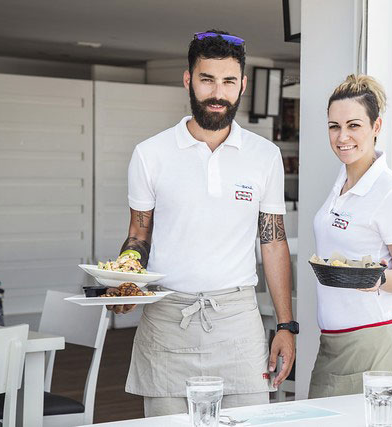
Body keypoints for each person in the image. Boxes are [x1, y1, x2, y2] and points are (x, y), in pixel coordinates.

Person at [111, 30, 297, 417]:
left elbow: (273, 242)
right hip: (166, 321)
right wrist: (127, 278)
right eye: (207, 79)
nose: (217, 92)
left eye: (228, 81)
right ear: (188, 80)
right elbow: (138, 234)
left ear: (242, 85)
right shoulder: (150, 154)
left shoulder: (264, 156)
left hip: (238, 324)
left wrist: (286, 325)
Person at [308, 75, 392, 402]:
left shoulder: (391, 192)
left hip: (373, 342)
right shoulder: (342, 181)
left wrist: (375, 278)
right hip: (332, 341)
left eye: (353, 126)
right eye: (334, 126)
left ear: (376, 126)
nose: (342, 137)